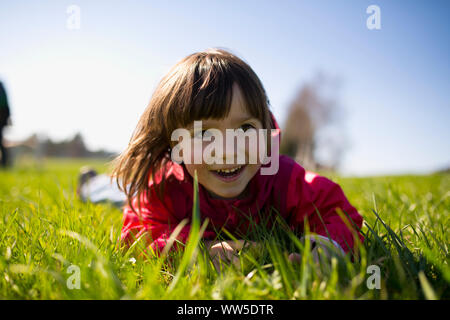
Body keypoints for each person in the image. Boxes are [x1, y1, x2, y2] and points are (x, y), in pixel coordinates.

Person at [84, 48, 364, 269]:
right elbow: (139, 231)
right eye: (204, 133)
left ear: (265, 129)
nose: (228, 150)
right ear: (175, 142)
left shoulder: (281, 177)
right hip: (135, 187)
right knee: (118, 190)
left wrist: (328, 248)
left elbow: (336, 212)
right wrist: (198, 252)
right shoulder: (164, 186)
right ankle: (91, 184)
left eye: (245, 129)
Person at [0, 81, 11, 167]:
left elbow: (3, 102)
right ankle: (4, 162)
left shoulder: (1, 85)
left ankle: (4, 163)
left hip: (1, 114)